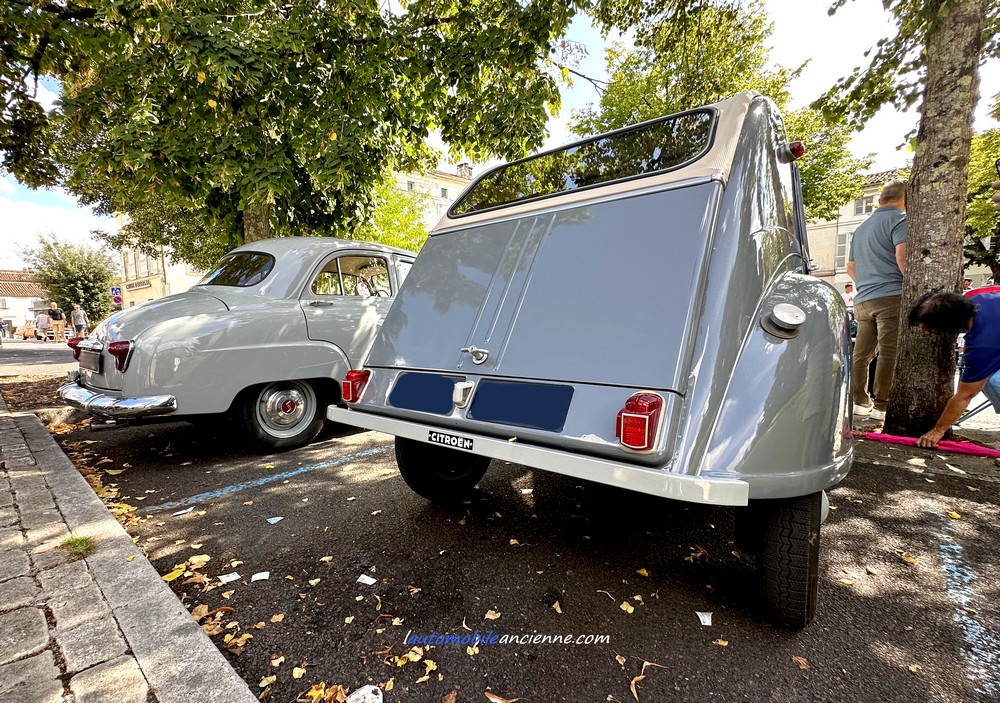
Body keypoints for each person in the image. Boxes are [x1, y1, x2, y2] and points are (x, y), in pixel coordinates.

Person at [847, 180, 908, 421]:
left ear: (880, 200)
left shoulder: (861, 228)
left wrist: (868, 282)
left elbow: (851, 267)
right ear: (905, 199)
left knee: (861, 354)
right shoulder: (901, 220)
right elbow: (902, 258)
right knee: (888, 353)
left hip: (863, 298)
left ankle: (859, 402)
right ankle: (882, 406)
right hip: (891, 295)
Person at [909, 290, 1000, 447]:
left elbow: (965, 395)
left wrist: (938, 431)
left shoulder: (982, 344)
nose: (926, 331)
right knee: (992, 381)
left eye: (928, 326)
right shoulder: (977, 298)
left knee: (993, 382)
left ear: (945, 324)